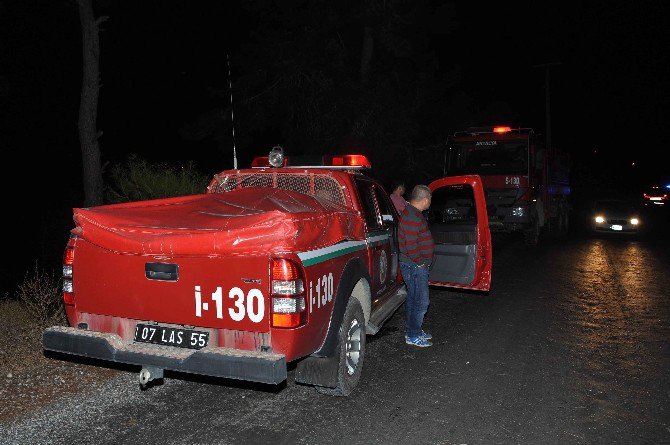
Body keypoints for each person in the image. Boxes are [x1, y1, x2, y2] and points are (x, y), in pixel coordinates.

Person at [398, 185, 435, 347]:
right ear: (425, 199)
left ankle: (413, 331)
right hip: (414, 266)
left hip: (414, 266)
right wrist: (420, 262)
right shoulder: (412, 217)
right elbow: (411, 245)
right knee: (421, 302)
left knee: (413, 299)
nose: (430, 203)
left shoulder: (413, 213)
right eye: (430, 199)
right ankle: (413, 335)